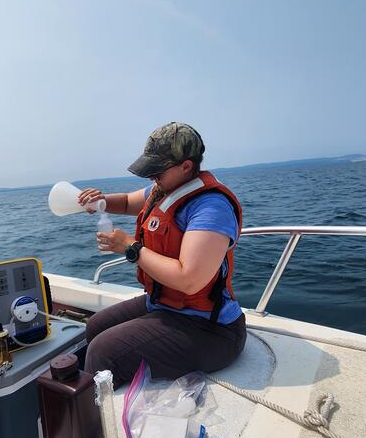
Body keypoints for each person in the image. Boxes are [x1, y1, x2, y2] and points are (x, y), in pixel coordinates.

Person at [78, 122, 246, 386]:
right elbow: (124, 202)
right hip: (165, 306)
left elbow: (189, 280)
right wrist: (98, 201)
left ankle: (94, 419)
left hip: (211, 329)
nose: (151, 176)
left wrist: (130, 247)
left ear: (187, 166)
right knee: (95, 326)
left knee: (103, 351)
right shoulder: (162, 191)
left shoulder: (211, 206)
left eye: (158, 169)